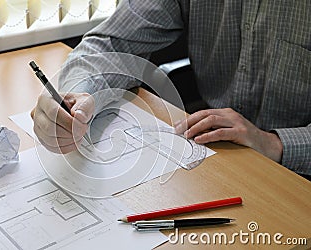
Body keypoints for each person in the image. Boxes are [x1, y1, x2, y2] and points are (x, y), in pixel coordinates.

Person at [32, 0, 311, 177]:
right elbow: (111, 44)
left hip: (297, 177)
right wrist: (79, 96)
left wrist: (273, 143)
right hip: (215, 162)